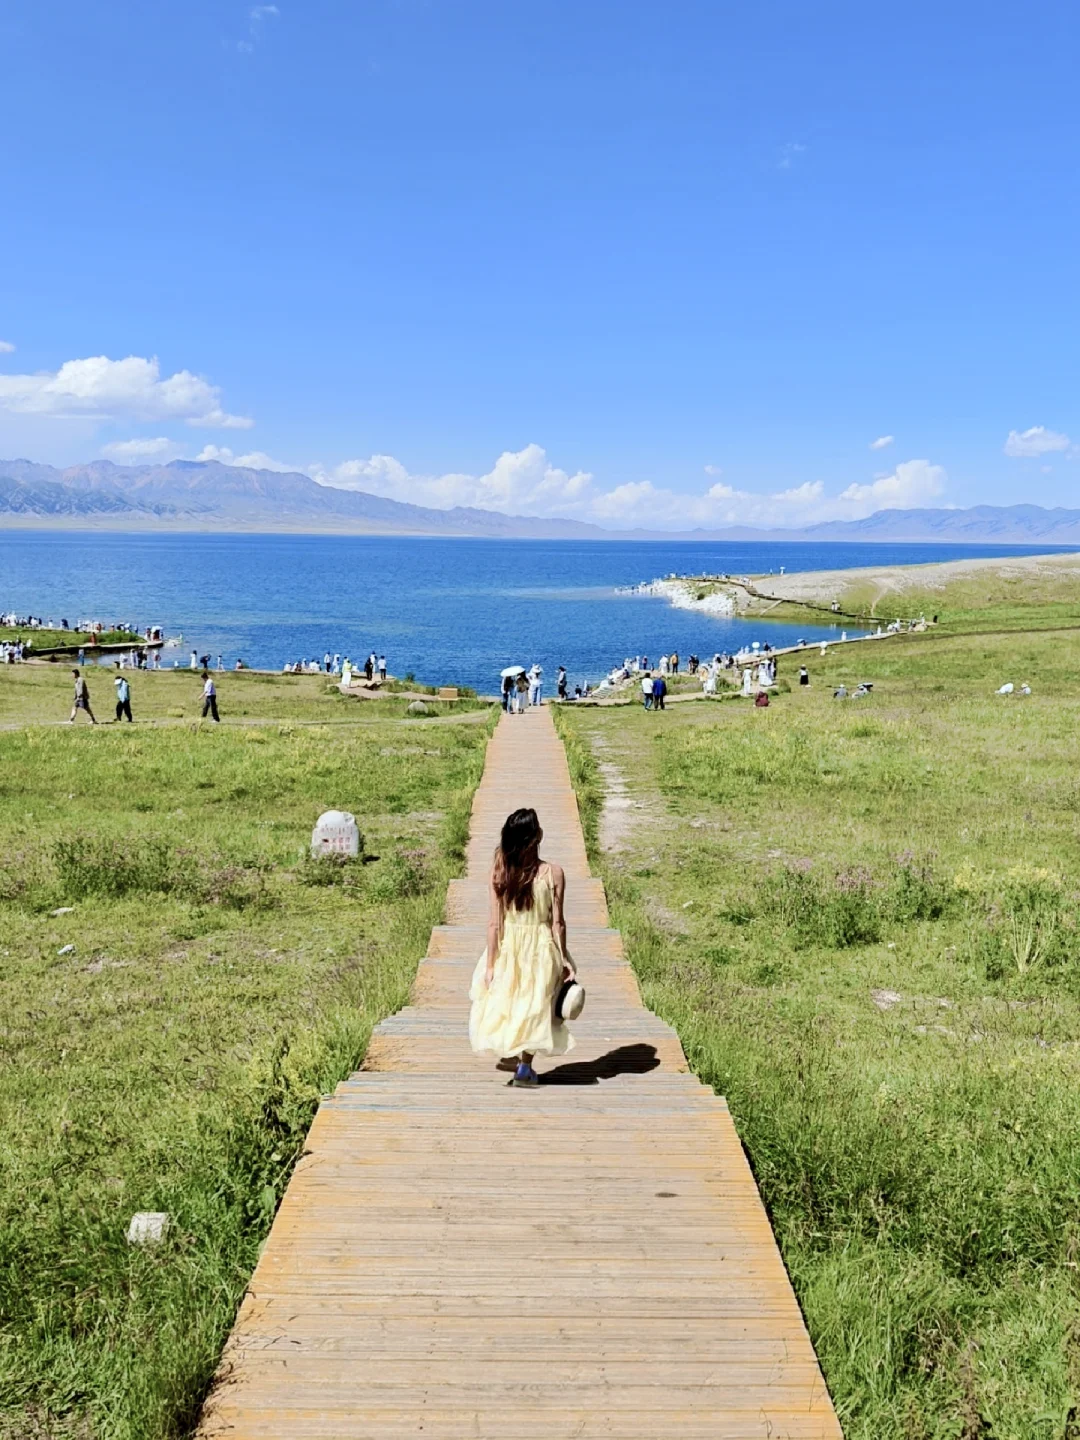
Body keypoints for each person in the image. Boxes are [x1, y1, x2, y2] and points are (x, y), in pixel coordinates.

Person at [469, 807, 576, 1088]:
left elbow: (494, 923)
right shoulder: (554, 873)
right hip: (542, 946)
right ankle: (525, 1066)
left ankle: (518, 1059)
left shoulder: (500, 873)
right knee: (535, 1004)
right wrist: (564, 959)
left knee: (512, 999)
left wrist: (491, 965)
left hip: (510, 945)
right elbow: (558, 923)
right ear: (536, 837)